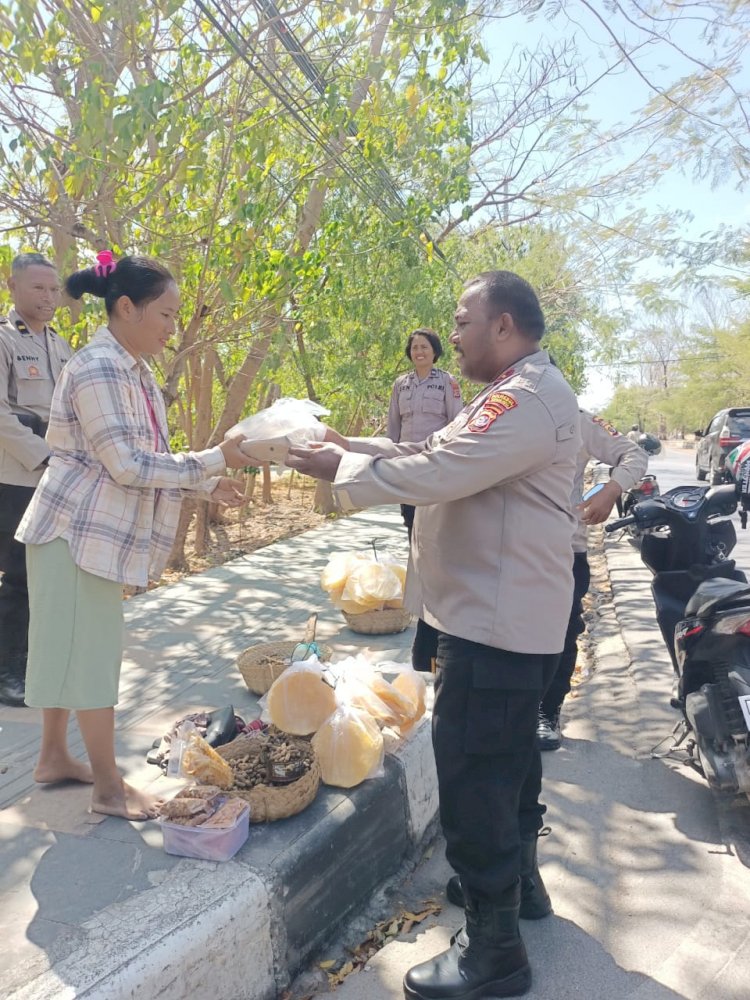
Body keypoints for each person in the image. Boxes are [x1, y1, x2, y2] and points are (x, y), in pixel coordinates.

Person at [285, 270, 580, 1000]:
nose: (451, 334)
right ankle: (522, 891)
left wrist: (339, 468)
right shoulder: (508, 394)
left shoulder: (525, 398)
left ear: (503, 326)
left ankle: (494, 949)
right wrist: (345, 442)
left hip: (495, 623)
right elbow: (424, 450)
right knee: (507, 766)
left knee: (476, 775)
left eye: (461, 320)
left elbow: (441, 469)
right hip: (492, 617)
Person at [15, 254, 248, 820]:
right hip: (75, 533)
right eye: (165, 314)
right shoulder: (99, 367)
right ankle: (108, 789)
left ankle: (52, 757)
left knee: (68, 651)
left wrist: (205, 484)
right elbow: (124, 464)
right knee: (89, 659)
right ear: (126, 308)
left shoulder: (134, 370)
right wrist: (214, 458)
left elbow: (147, 461)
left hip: (87, 533)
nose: (172, 326)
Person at [536, 411, 648, 750]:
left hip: (564, 549)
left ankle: (546, 710)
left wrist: (611, 489)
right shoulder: (504, 413)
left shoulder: (579, 420)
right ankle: (515, 709)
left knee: (561, 631)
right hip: (506, 549)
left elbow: (634, 454)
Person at [0, 252, 73, 706]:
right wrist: (41, 454)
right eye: (37, 288)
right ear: (13, 288)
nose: (48, 297)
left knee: (48, 574)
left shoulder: (62, 346)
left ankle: (32, 661)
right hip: (16, 474)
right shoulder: (5, 341)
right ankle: (8, 668)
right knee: (19, 575)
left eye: (53, 289)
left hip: (57, 474)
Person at [386, 328, 463, 674]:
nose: (420, 351)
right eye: (415, 347)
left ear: (435, 352)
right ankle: (423, 590)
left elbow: (457, 423)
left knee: (434, 533)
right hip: (406, 468)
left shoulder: (447, 383)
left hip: (434, 467)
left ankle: (435, 595)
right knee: (412, 531)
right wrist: (388, 460)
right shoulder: (400, 385)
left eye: (425, 347)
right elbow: (392, 427)